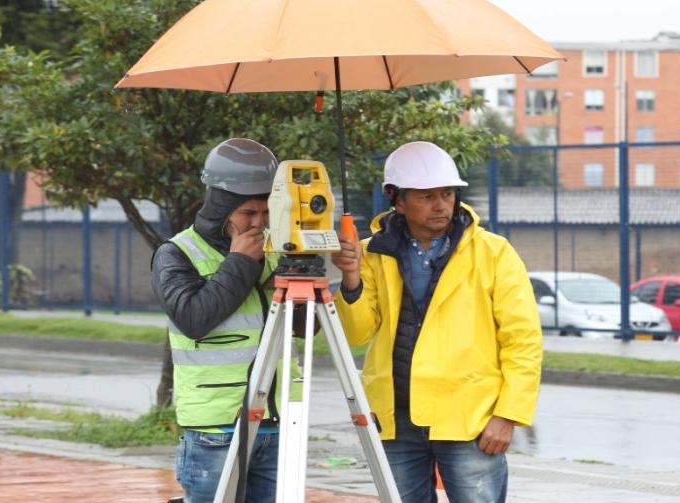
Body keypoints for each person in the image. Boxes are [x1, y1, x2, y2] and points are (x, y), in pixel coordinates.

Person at [331, 141, 543, 502]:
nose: (441, 204)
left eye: (447, 193)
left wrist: (508, 415)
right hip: (397, 420)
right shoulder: (371, 252)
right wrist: (350, 278)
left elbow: (523, 340)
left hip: (470, 421)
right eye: (426, 196)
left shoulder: (493, 253)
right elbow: (357, 332)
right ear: (397, 200)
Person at [151, 137, 291, 502]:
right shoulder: (176, 253)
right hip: (216, 429)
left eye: (266, 213)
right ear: (221, 209)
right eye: (248, 214)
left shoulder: (276, 247)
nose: (258, 224)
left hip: (275, 422)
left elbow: (308, 326)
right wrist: (240, 263)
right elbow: (194, 318)